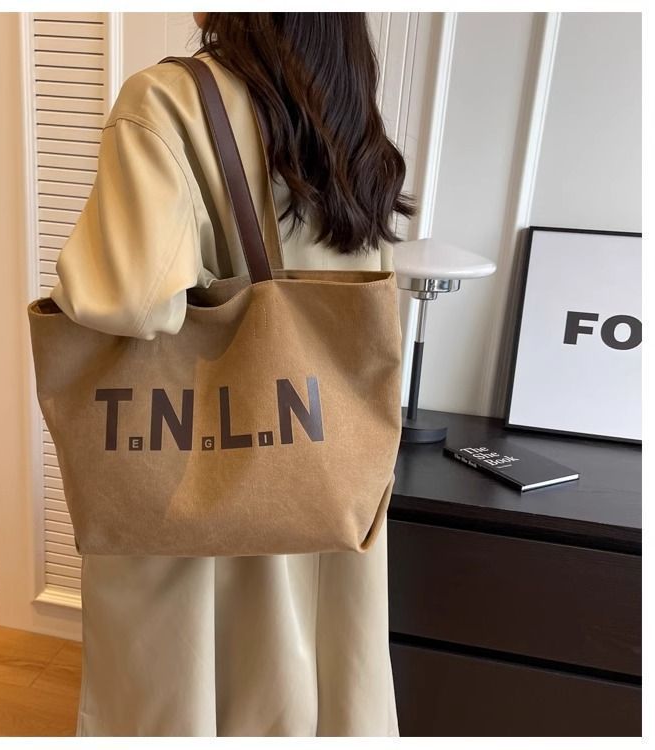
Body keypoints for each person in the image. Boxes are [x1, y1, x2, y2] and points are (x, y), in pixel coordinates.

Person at [49, 12, 416, 737]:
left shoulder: (165, 100)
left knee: (199, 689)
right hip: (327, 458)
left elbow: (129, 296)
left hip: (192, 484)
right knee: (325, 679)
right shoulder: (347, 111)